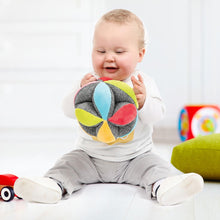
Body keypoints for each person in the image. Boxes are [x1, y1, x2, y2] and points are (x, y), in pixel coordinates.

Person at [14, 9, 204, 206]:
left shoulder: (142, 83)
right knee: (67, 164)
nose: (109, 57)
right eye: (101, 51)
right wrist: (80, 94)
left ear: (140, 54)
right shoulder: (90, 82)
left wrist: (144, 102)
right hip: (89, 158)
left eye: (119, 52)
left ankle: (164, 187)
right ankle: (52, 186)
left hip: (135, 158)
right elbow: (68, 111)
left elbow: (157, 115)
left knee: (156, 167)